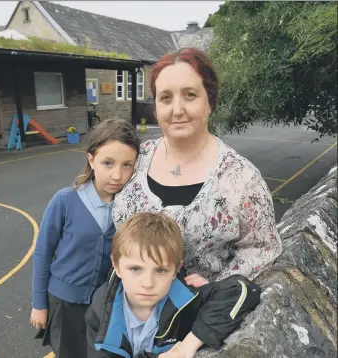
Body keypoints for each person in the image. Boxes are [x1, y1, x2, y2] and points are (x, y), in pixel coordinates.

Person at [112, 47, 282, 283]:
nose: (177, 110)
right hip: (128, 309)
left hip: (198, 314)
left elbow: (262, 248)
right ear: (156, 107)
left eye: (190, 95)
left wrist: (216, 288)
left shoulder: (241, 178)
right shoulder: (135, 158)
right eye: (166, 98)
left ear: (210, 102)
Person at [30, 118, 141, 358]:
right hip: (64, 303)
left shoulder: (130, 207)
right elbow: (43, 253)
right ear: (91, 159)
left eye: (127, 165)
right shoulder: (65, 200)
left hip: (104, 306)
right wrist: (39, 304)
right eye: (108, 163)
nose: (117, 174)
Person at [86, 212, 261, 358]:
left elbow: (243, 289)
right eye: (135, 269)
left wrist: (187, 346)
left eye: (160, 271)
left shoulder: (185, 299)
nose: (147, 283)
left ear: (176, 269)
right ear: (116, 266)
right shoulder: (100, 308)